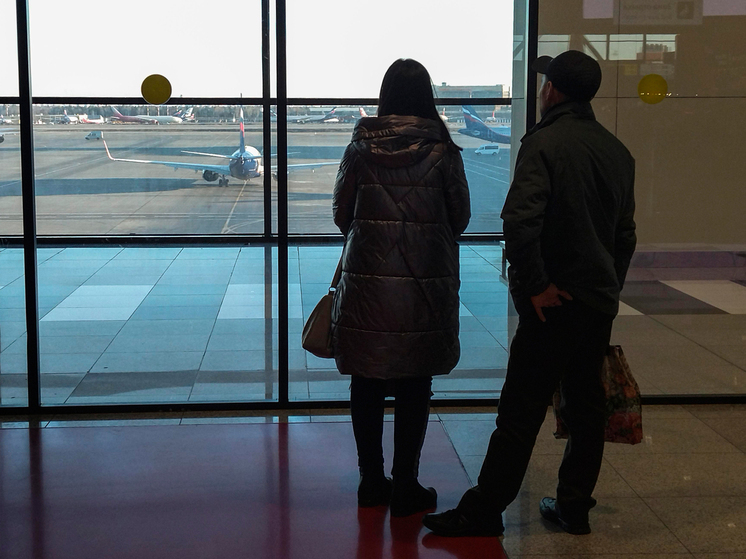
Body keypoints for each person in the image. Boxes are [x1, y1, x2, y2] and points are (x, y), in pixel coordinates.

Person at [423, 50, 636, 537]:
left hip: (553, 305)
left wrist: (536, 285)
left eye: (544, 84)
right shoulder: (617, 151)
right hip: (596, 304)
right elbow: (625, 235)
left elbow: (520, 221)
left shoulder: (544, 144)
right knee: (586, 408)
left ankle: (483, 510)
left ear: (552, 91)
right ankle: (574, 506)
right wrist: (608, 287)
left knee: (519, 412)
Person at [332, 58, 471, 517]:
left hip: (368, 284)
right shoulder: (443, 151)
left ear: (385, 96)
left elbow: (341, 214)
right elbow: (460, 217)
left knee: (366, 380)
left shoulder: (359, 149)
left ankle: (371, 481)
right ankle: (406, 484)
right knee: (415, 382)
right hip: (423, 285)